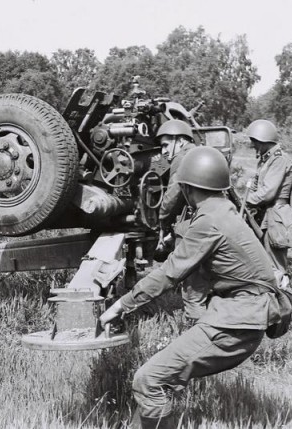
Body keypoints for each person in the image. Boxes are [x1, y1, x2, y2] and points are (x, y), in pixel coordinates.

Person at [99, 146, 281, 429]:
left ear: (186, 187)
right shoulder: (222, 211)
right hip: (246, 316)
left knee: (148, 381)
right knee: (159, 379)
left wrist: (122, 305)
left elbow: (168, 274)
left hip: (238, 320)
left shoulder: (209, 222)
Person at [154, 119, 207, 322]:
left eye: (167, 145)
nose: (164, 151)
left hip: (194, 225)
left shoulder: (182, 158)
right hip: (211, 222)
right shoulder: (202, 152)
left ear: (181, 141)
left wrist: (162, 222)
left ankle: (196, 330)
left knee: (192, 285)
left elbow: (172, 196)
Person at [244, 119, 292, 288]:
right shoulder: (266, 159)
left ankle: (283, 305)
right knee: (266, 262)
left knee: (276, 265)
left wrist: (246, 201)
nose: (253, 145)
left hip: (277, 215)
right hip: (268, 214)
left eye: (255, 142)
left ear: (264, 140)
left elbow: (268, 192)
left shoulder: (278, 159)